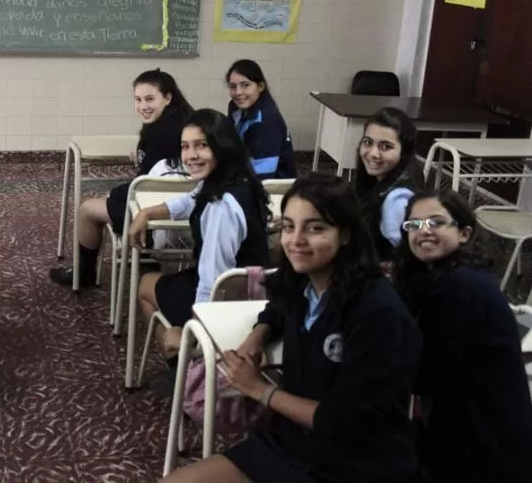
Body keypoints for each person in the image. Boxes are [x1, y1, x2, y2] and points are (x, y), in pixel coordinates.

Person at [162, 173, 421, 483]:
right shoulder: (304, 282)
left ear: (346, 234)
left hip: (354, 462)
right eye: (288, 226)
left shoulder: (377, 312)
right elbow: (278, 307)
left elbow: (342, 421)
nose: (296, 240)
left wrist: (259, 389)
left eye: (315, 228)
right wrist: (258, 335)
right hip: (290, 440)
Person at [394, 189, 532, 482]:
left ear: (465, 233)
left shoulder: (460, 289)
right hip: (478, 421)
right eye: (414, 225)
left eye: (436, 222)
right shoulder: (453, 275)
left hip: (484, 442)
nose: (424, 231)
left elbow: (424, 375)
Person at [131, 109, 271, 392]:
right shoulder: (236, 179)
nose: (190, 155)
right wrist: (146, 213)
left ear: (222, 146)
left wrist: (193, 334)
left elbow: (212, 278)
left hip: (231, 299)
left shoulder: (221, 207)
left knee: (145, 286)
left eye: (201, 145)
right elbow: (190, 200)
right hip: (257, 289)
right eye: (185, 146)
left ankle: (186, 369)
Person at [50, 69, 194, 287]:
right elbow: (159, 172)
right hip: (185, 214)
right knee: (115, 196)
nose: (143, 106)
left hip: (155, 218)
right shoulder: (183, 123)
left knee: (88, 210)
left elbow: (146, 185)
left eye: (149, 99)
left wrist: (114, 194)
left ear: (168, 97)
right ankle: (145, 259)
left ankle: (83, 275)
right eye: (138, 99)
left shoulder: (160, 133)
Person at [353, 107, 424, 264]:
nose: (373, 153)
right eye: (367, 142)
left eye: (385, 146)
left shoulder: (397, 201)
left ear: (404, 151)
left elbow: (409, 258)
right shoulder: (386, 179)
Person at [226, 59, 296, 180]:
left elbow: (262, 175)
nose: (238, 92)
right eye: (233, 86)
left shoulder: (266, 121)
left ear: (260, 86)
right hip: (244, 170)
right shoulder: (235, 106)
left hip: (274, 187)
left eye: (245, 85)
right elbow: (229, 142)